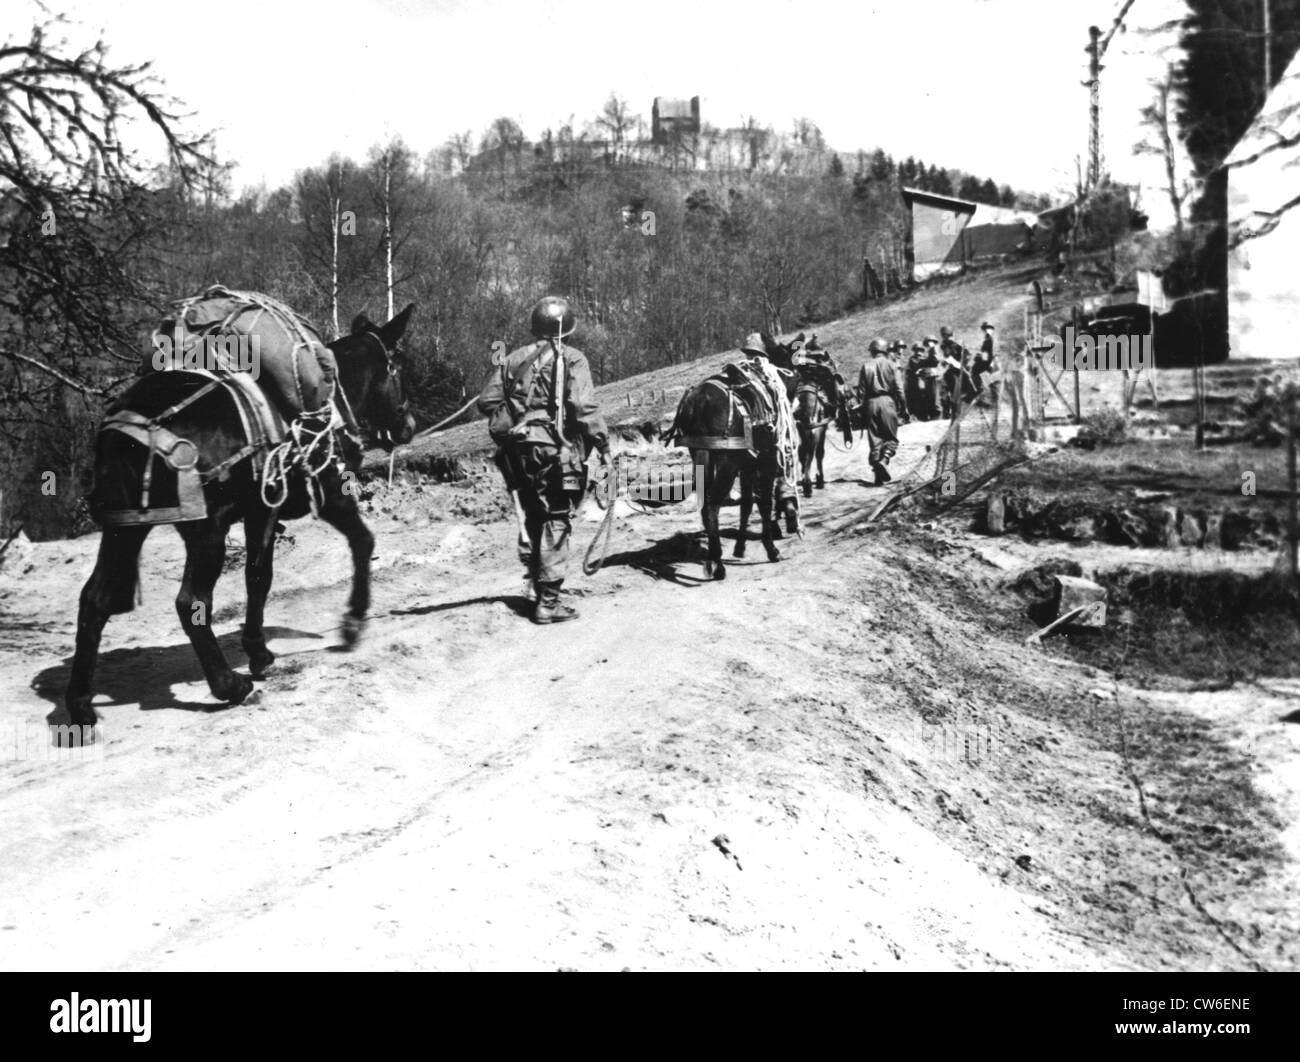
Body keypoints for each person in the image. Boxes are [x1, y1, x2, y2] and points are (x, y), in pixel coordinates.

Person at [477, 296, 609, 624]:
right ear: (568, 329)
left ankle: (539, 590)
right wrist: (602, 443)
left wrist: (521, 408)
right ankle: (548, 603)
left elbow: (486, 401)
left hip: (519, 451)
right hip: (556, 449)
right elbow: (582, 406)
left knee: (536, 516)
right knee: (557, 518)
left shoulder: (512, 358)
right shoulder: (574, 358)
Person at [857, 338, 909, 485]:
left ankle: (877, 476)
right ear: (885, 350)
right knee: (890, 437)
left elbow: (861, 393)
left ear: (873, 351)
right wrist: (904, 408)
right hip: (887, 402)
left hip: (871, 404)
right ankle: (885, 460)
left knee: (875, 439)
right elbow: (899, 389)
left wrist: (862, 411)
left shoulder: (865, 366)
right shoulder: (892, 365)